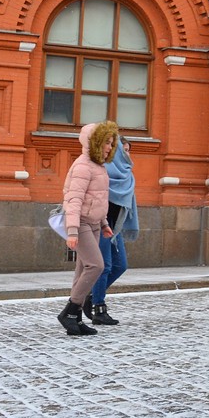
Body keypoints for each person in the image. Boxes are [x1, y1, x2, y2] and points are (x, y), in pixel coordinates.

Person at [57, 121, 118, 336]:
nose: (110, 147)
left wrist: (104, 224)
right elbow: (74, 199)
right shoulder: (83, 165)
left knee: (83, 269)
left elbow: (98, 200)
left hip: (93, 223)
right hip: (80, 223)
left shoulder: (98, 166)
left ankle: (76, 318)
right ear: (95, 142)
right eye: (106, 143)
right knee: (96, 266)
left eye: (112, 143)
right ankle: (70, 311)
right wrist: (72, 231)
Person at [89, 137, 139, 325]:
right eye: (124, 150)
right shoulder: (104, 171)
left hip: (114, 225)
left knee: (120, 265)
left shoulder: (127, 174)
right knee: (104, 266)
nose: (127, 154)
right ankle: (98, 308)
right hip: (99, 222)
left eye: (128, 150)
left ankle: (91, 296)